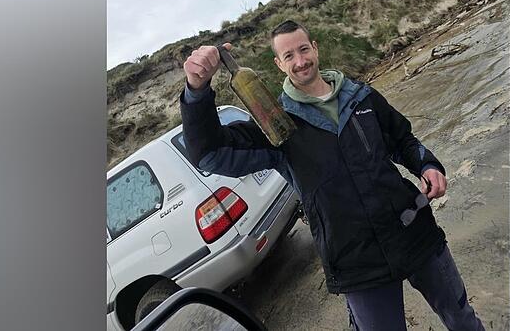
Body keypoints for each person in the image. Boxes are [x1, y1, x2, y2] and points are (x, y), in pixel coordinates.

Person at [179, 19, 485, 331]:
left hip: (415, 234)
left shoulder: (361, 96)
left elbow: (403, 140)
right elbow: (209, 154)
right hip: (355, 262)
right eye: (289, 56)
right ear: (278, 64)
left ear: (315, 47)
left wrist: (428, 166)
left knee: (463, 321)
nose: (300, 61)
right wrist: (196, 91)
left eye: (303, 49)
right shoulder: (275, 126)